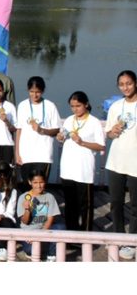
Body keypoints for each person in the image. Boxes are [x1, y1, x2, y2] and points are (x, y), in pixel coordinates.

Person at [56, 91, 104, 232]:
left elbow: (101, 145)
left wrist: (82, 142)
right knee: (70, 204)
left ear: (86, 104)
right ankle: (72, 233)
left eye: (78, 106)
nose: (75, 109)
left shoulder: (94, 122)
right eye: (72, 106)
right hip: (68, 168)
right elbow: (63, 135)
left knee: (85, 205)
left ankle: (86, 234)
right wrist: (60, 137)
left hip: (84, 169)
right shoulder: (70, 120)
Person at [105, 70, 137, 260]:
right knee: (115, 202)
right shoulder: (116, 106)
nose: (125, 87)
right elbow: (109, 133)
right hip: (116, 161)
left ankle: (132, 241)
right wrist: (113, 131)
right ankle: (117, 237)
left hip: (135, 162)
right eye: (122, 84)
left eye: (129, 83)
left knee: (135, 204)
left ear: (135, 84)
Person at [14, 76, 61, 183]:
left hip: (43, 155)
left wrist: (42, 130)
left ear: (43, 91)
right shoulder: (22, 106)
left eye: (38, 92)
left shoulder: (50, 106)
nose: (34, 95)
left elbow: (56, 130)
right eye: (32, 91)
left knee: (40, 186)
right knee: (27, 186)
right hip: (26, 155)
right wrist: (17, 153)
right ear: (28, 90)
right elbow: (19, 130)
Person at [17, 169, 64, 261]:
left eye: (41, 182)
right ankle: (43, 249)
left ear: (45, 182)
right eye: (35, 182)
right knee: (30, 249)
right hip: (29, 233)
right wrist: (27, 209)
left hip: (44, 231)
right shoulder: (24, 197)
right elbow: (24, 222)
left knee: (60, 227)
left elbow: (50, 219)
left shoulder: (49, 197)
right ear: (30, 182)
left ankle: (51, 255)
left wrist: (39, 236)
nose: (38, 185)